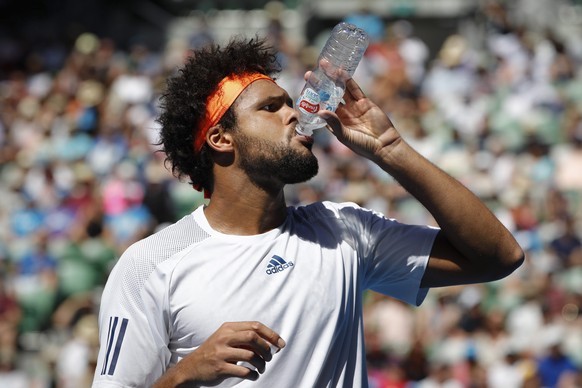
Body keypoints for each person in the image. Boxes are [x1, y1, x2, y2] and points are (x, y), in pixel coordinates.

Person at [91, 37, 524, 387]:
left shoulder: (344, 231)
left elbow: (498, 256)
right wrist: (184, 374)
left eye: (287, 101)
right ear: (222, 139)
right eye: (270, 107)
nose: (294, 113)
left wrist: (392, 151)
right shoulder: (149, 265)